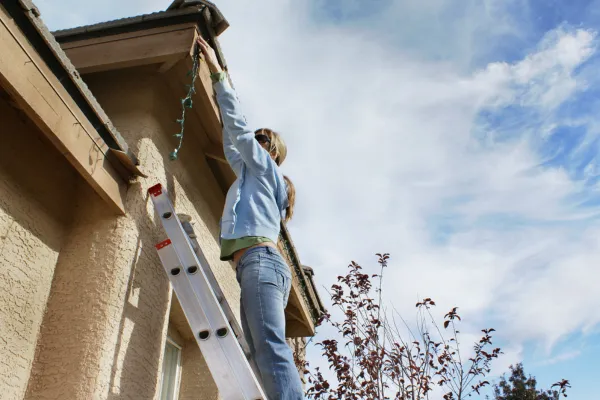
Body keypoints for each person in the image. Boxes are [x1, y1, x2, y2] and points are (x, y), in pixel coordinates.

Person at [196, 36, 304, 400]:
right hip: (253, 267)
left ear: (270, 151)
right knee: (260, 354)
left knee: (270, 348)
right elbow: (233, 141)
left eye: (261, 139)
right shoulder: (250, 176)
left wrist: (217, 74)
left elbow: (239, 134)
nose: (253, 142)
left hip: (261, 262)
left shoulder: (264, 170)